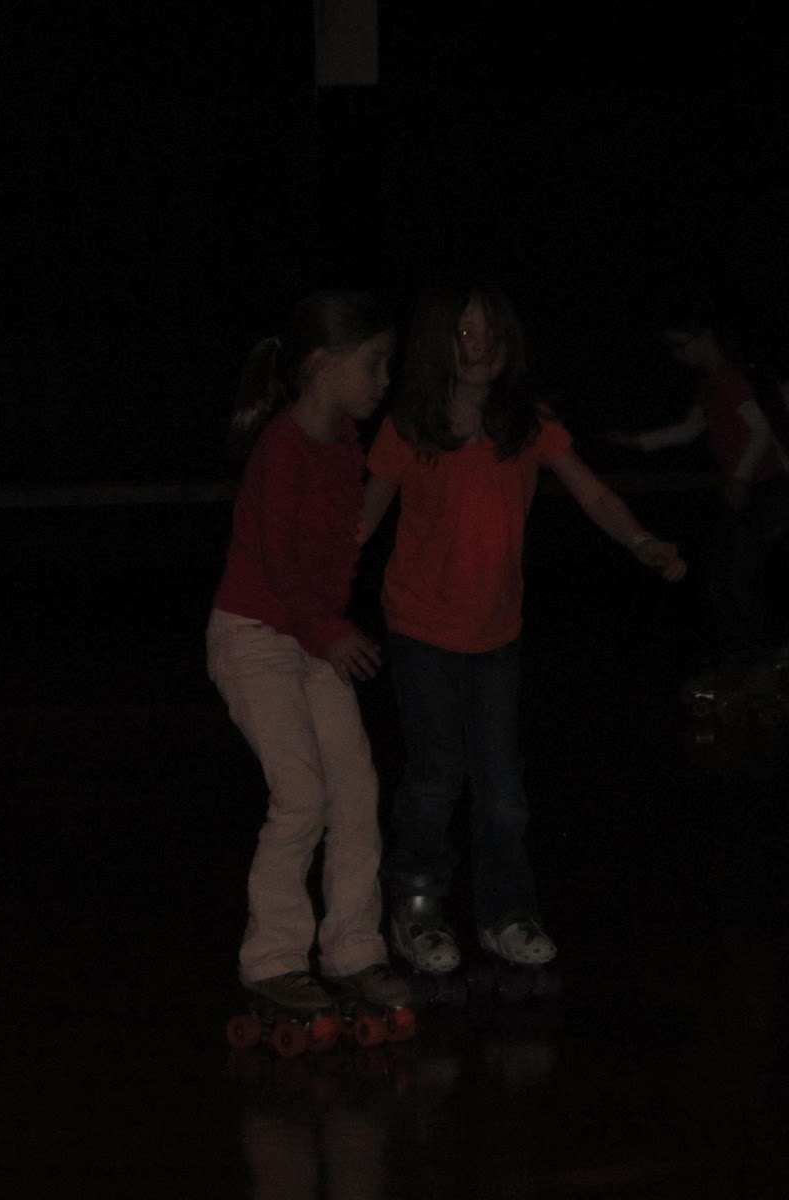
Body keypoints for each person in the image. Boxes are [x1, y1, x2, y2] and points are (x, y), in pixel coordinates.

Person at [360, 280, 687, 976]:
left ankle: (506, 911)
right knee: (435, 776)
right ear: (438, 343)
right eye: (463, 331)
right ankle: (415, 907)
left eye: (489, 330)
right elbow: (359, 522)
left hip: (495, 634)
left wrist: (641, 542)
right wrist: (302, 605)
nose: (478, 344)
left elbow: (591, 489)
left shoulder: (526, 423)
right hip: (420, 628)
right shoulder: (409, 425)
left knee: (502, 783)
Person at [206, 289, 410, 1028]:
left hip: (311, 634)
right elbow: (285, 571)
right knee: (301, 795)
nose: (384, 381)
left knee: (355, 789)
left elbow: (338, 542)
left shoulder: (343, 443)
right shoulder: (281, 450)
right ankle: (272, 960)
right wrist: (331, 633)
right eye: (375, 365)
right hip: (255, 637)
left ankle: (354, 948)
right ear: (323, 365)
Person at [608, 294, 789, 695]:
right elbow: (690, 429)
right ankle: (736, 659)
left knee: (741, 576)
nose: (677, 355)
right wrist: (637, 441)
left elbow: (760, 432)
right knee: (718, 579)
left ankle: (767, 659)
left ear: (705, 337)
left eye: (681, 344)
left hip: (766, 488)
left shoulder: (732, 377)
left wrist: (740, 477)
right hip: (741, 491)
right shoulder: (709, 386)